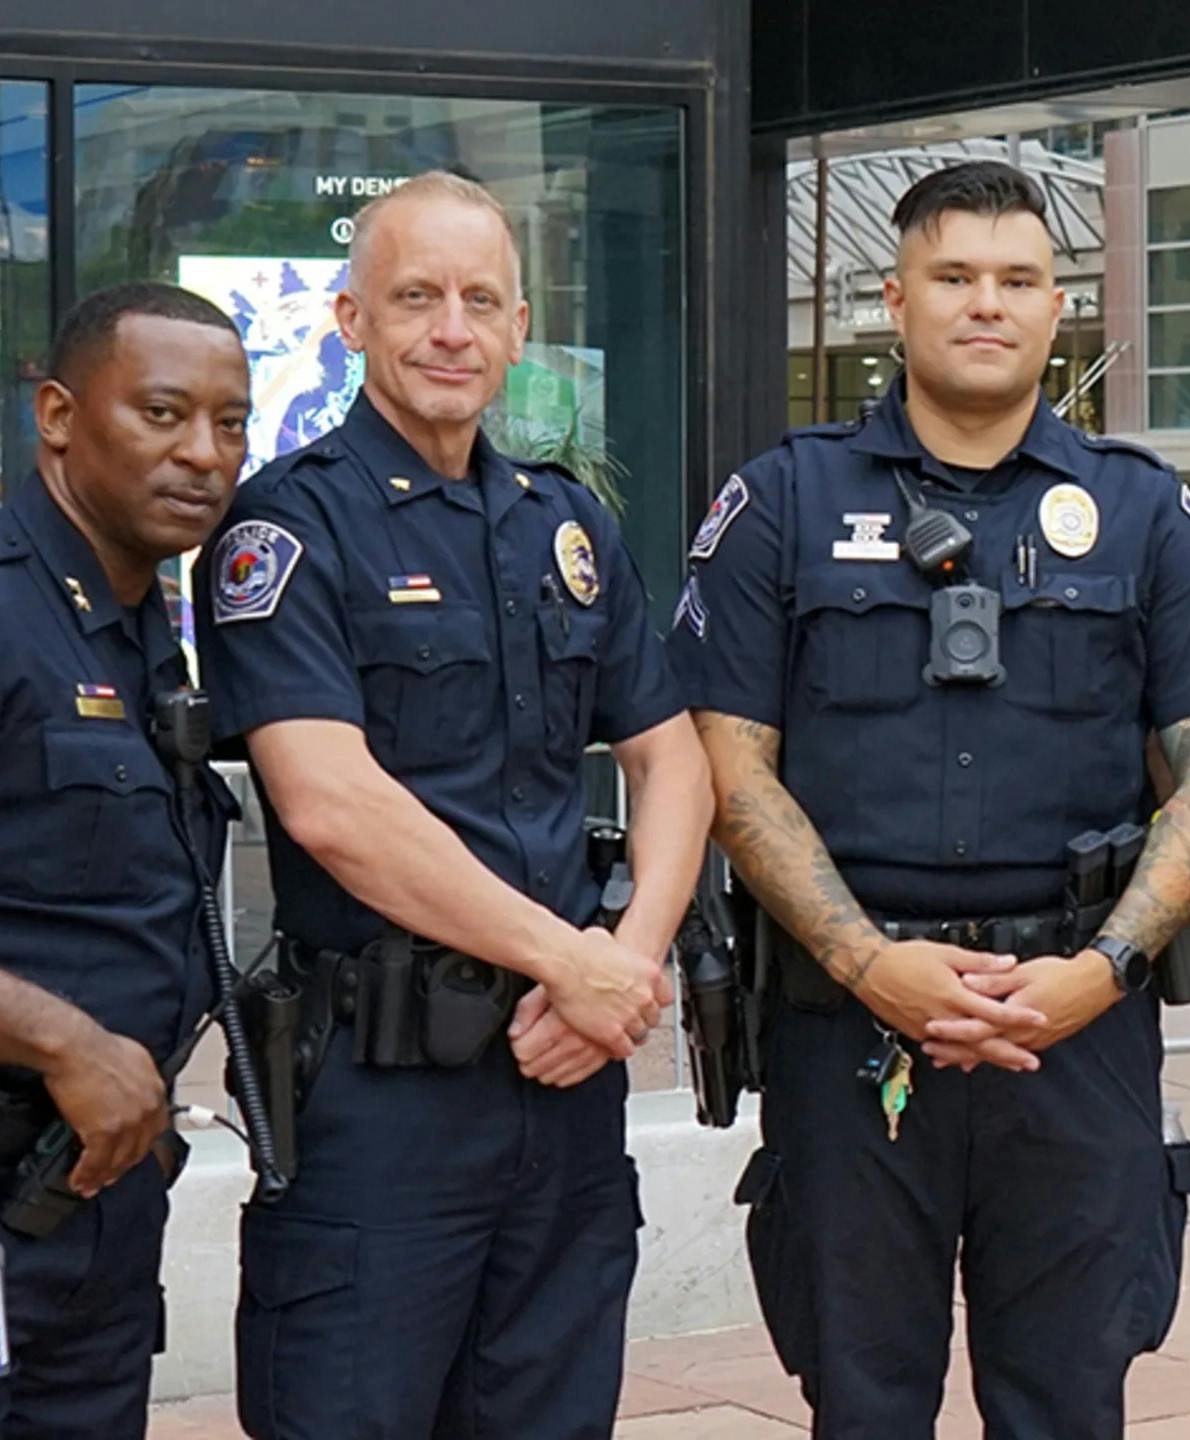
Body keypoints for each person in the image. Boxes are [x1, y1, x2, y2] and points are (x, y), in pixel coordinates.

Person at [672, 159, 1190, 1437]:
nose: (985, 305)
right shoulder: (784, 501)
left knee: (1065, 1402)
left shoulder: (1141, 512)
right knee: (862, 1398)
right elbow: (727, 770)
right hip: (850, 1029)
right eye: (953, 277)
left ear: (1062, 310)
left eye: (1017, 280)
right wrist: (866, 960)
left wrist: (1099, 973)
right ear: (896, 298)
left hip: (1075, 1027)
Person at [194, 170, 711, 1438]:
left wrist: (626, 968)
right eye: (415, 296)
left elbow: (672, 758)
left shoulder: (562, 523)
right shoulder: (289, 527)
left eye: (481, 300)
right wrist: (569, 963)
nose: (451, 329)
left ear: (521, 327)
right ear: (350, 318)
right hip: (385, 1100)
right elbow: (331, 806)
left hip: (566, 1081)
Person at [0, 282, 249, 1438]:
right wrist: (64, 1041)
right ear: (57, 414)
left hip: (90, 1201)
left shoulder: (147, 622)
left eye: (230, 423)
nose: (202, 454)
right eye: (161, 414)